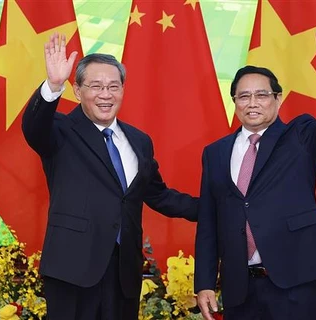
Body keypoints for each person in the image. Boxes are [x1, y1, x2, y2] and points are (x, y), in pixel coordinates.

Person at [22, 33, 197, 320]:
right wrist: (53, 85)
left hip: (123, 273)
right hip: (72, 271)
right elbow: (33, 127)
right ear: (77, 90)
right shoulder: (61, 131)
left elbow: (159, 195)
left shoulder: (139, 141)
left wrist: (214, 207)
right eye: (96, 86)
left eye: (113, 86)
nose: (106, 94)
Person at [194, 17, 316, 320]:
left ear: (278, 99)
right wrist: (204, 282)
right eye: (243, 96)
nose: (252, 102)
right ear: (235, 103)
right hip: (239, 289)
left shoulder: (301, 135)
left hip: (295, 282)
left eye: (261, 94)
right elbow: (208, 222)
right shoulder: (215, 153)